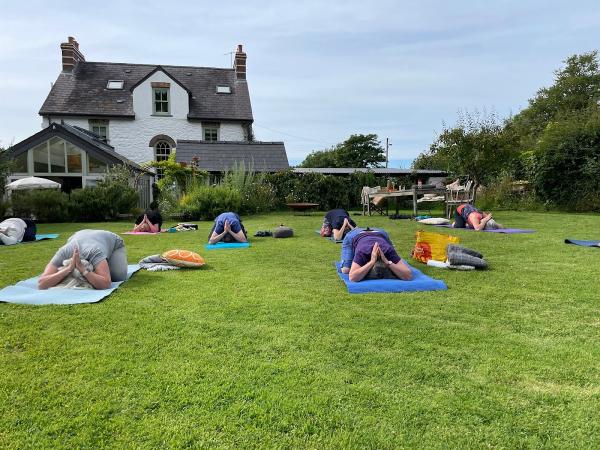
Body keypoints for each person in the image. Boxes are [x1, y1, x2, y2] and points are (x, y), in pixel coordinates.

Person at [38, 230, 127, 290]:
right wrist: (68, 269)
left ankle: (103, 262)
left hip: (113, 241)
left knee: (118, 277)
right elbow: (42, 283)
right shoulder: (64, 252)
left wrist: (82, 269)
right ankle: (100, 266)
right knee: (100, 273)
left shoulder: (95, 252)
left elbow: (106, 284)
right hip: (79, 235)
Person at [340, 227, 412, 282]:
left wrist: (388, 262)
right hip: (354, 235)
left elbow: (408, 276)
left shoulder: (388, 251)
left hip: (380, 233)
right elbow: (352, 277)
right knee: (346, 270)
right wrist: (371, 262)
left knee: (397, 267)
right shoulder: (363, 252)